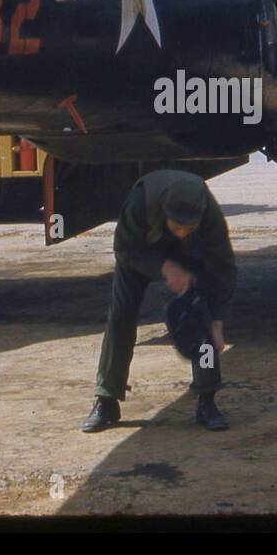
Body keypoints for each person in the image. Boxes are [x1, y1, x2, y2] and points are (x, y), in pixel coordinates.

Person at [82, 169, 236, 432]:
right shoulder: (141, 199)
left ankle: (207, 400)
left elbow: (224, 269)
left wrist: (218, 321)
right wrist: (166, 268)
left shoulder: (208, 213)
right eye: (177, 226)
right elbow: (124, 248)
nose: (181, 233)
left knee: (204, 323)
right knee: (121, 315)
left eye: (189, 228)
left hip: (190, 256)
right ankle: (106, 399)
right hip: (141, 251)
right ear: (165, 212)